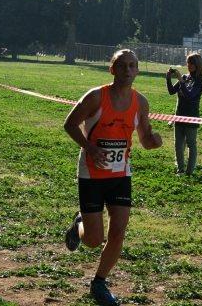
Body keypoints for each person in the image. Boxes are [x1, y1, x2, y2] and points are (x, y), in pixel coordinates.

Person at [63, 49, 162, 305]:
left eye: (132, 66)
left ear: (137, 70)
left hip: (120, 174)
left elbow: (144, 139)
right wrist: (91, 147)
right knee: (94, 240)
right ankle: (79, 224)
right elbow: (70, 124)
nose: (127, 70)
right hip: (92, 173)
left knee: (118, 233)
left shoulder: (141, 102)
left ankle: (99, 282)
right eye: (122, 65)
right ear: (112, 69)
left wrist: (153, 142)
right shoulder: (96, 97)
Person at [166, 53, 202, 175]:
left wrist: (181, 81)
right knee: (178, 144)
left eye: (191, 63)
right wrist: (168, 78)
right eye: (187, 63)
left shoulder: (199, 81)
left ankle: (189, 171)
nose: (188, 65)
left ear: (197, 65)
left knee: (191, 144)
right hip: (179, 115)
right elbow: (172, 91)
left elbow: (189, 95)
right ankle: (180, 169)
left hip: (191, 117)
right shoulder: (184, 77)